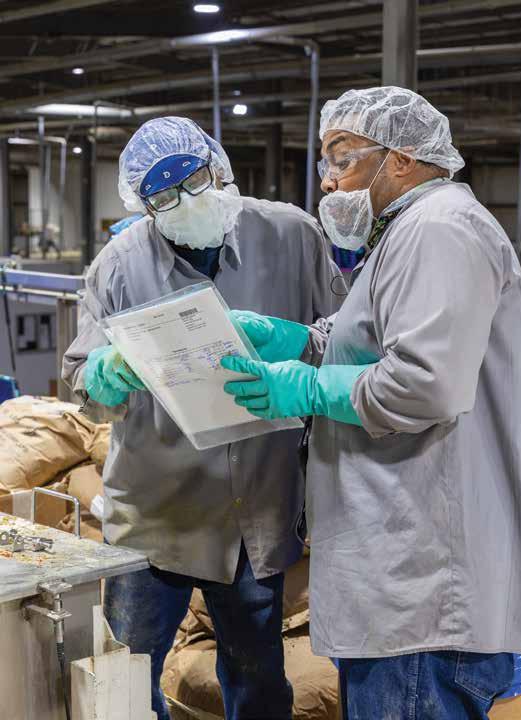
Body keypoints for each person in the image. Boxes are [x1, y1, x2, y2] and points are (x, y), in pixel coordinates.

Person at [223, 86, 521, 720]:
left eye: (342, 157)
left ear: (402, 158)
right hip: (399, 578)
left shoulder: (441, 229)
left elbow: (423, 383)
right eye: (325, 162)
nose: (329, 180)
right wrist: (301, 341)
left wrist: (305, 387)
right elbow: (372, 342)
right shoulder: (406, 233)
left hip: (424, 587)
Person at [62, 116, 339, 720]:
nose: (187, 202)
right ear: (143, 206)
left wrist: (297, 342)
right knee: (125, 680)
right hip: (156, 515)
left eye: (195, 181)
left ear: (218, 167)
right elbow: (81, 377)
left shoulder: (291, 235)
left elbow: (345, 337)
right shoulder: (118, 266)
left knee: (258, 680)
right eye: (165, 197)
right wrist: (106, 372)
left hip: (256, 514)